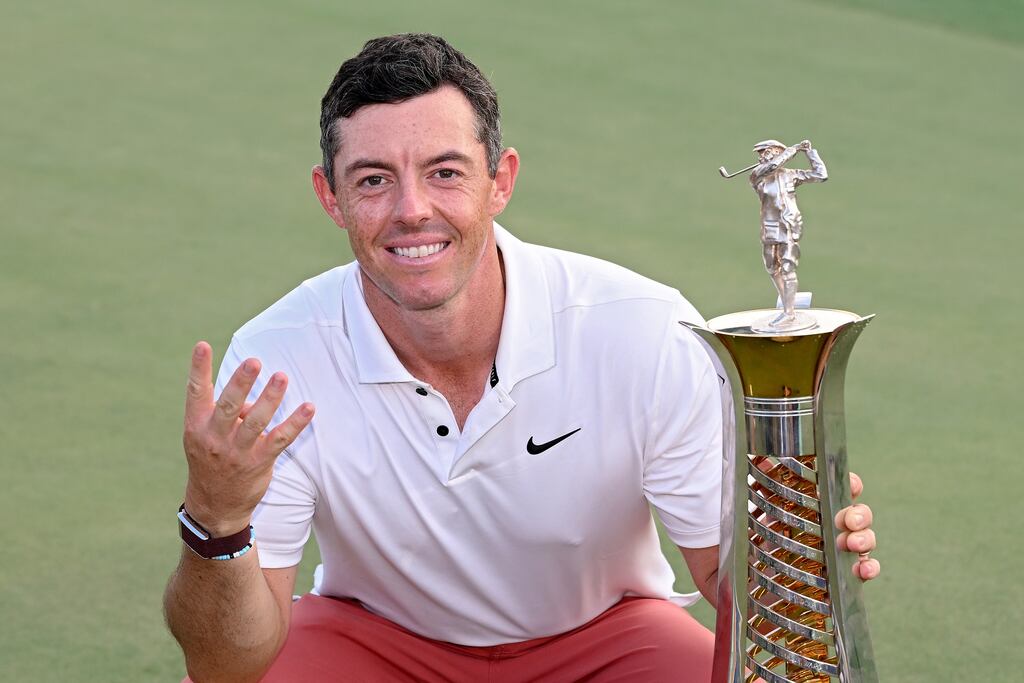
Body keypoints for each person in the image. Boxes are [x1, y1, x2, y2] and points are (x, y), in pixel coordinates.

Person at [164, 34, 879, 682]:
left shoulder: (644, 328)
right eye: (374, 179)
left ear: (500, 180)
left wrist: (795, 548)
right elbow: (225, 661)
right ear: (332, 198)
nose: (412, 209)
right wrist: (214, 522)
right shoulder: (276, 357)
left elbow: (728, 581)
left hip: (606, 639)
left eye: (444, 172)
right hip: (374, 640)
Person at [749, 139, 828, 327]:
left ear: (777, 150)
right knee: (771, 267)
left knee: (787, 267)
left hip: (789, 226)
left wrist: (810, 152)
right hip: (769, 227)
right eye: (760, 153)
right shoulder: (757, 175)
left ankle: (789, 312)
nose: (761, 156)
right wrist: (793, 150)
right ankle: (787, 303)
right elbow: (773, 165)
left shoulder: (791, 175)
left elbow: (821, 175)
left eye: (765, 152)